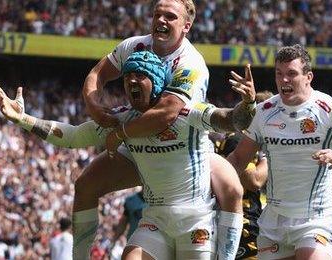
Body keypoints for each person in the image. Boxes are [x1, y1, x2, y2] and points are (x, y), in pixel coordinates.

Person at [0, 50, 256, 259]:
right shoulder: (122, 119)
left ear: (156, 81)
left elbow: (230, 120)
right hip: (155, 219)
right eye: (127, 76)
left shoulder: (187, 113)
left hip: (195, 219)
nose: (131, 80)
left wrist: (248, 104)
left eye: (140, 76)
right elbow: (72, 136)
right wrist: (22, 119)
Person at [77, 1, 244, 258]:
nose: (161, 20)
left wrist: (119, 133)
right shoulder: (133, 46)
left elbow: (166, 113)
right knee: (85, 185)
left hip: (179, 150)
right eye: (157, 14)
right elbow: (97, 74)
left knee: (233, 190)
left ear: (186, 25)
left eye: (170, 16)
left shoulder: (191, 63)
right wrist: (94, 106)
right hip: (139, 145)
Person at [227, 44, 332, 259]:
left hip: (314, 220)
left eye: (291, 74)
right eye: (279, 74)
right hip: (273, 222)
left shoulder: (330, 109)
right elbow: (238, 158)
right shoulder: (264, 112)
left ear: (308, 77)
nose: (284, 80)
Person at [213, 90, 274, 260]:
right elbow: (253, 180)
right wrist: (269, 155)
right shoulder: (237, 141)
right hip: (242, 222)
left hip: (243, 220)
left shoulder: (243, 141)